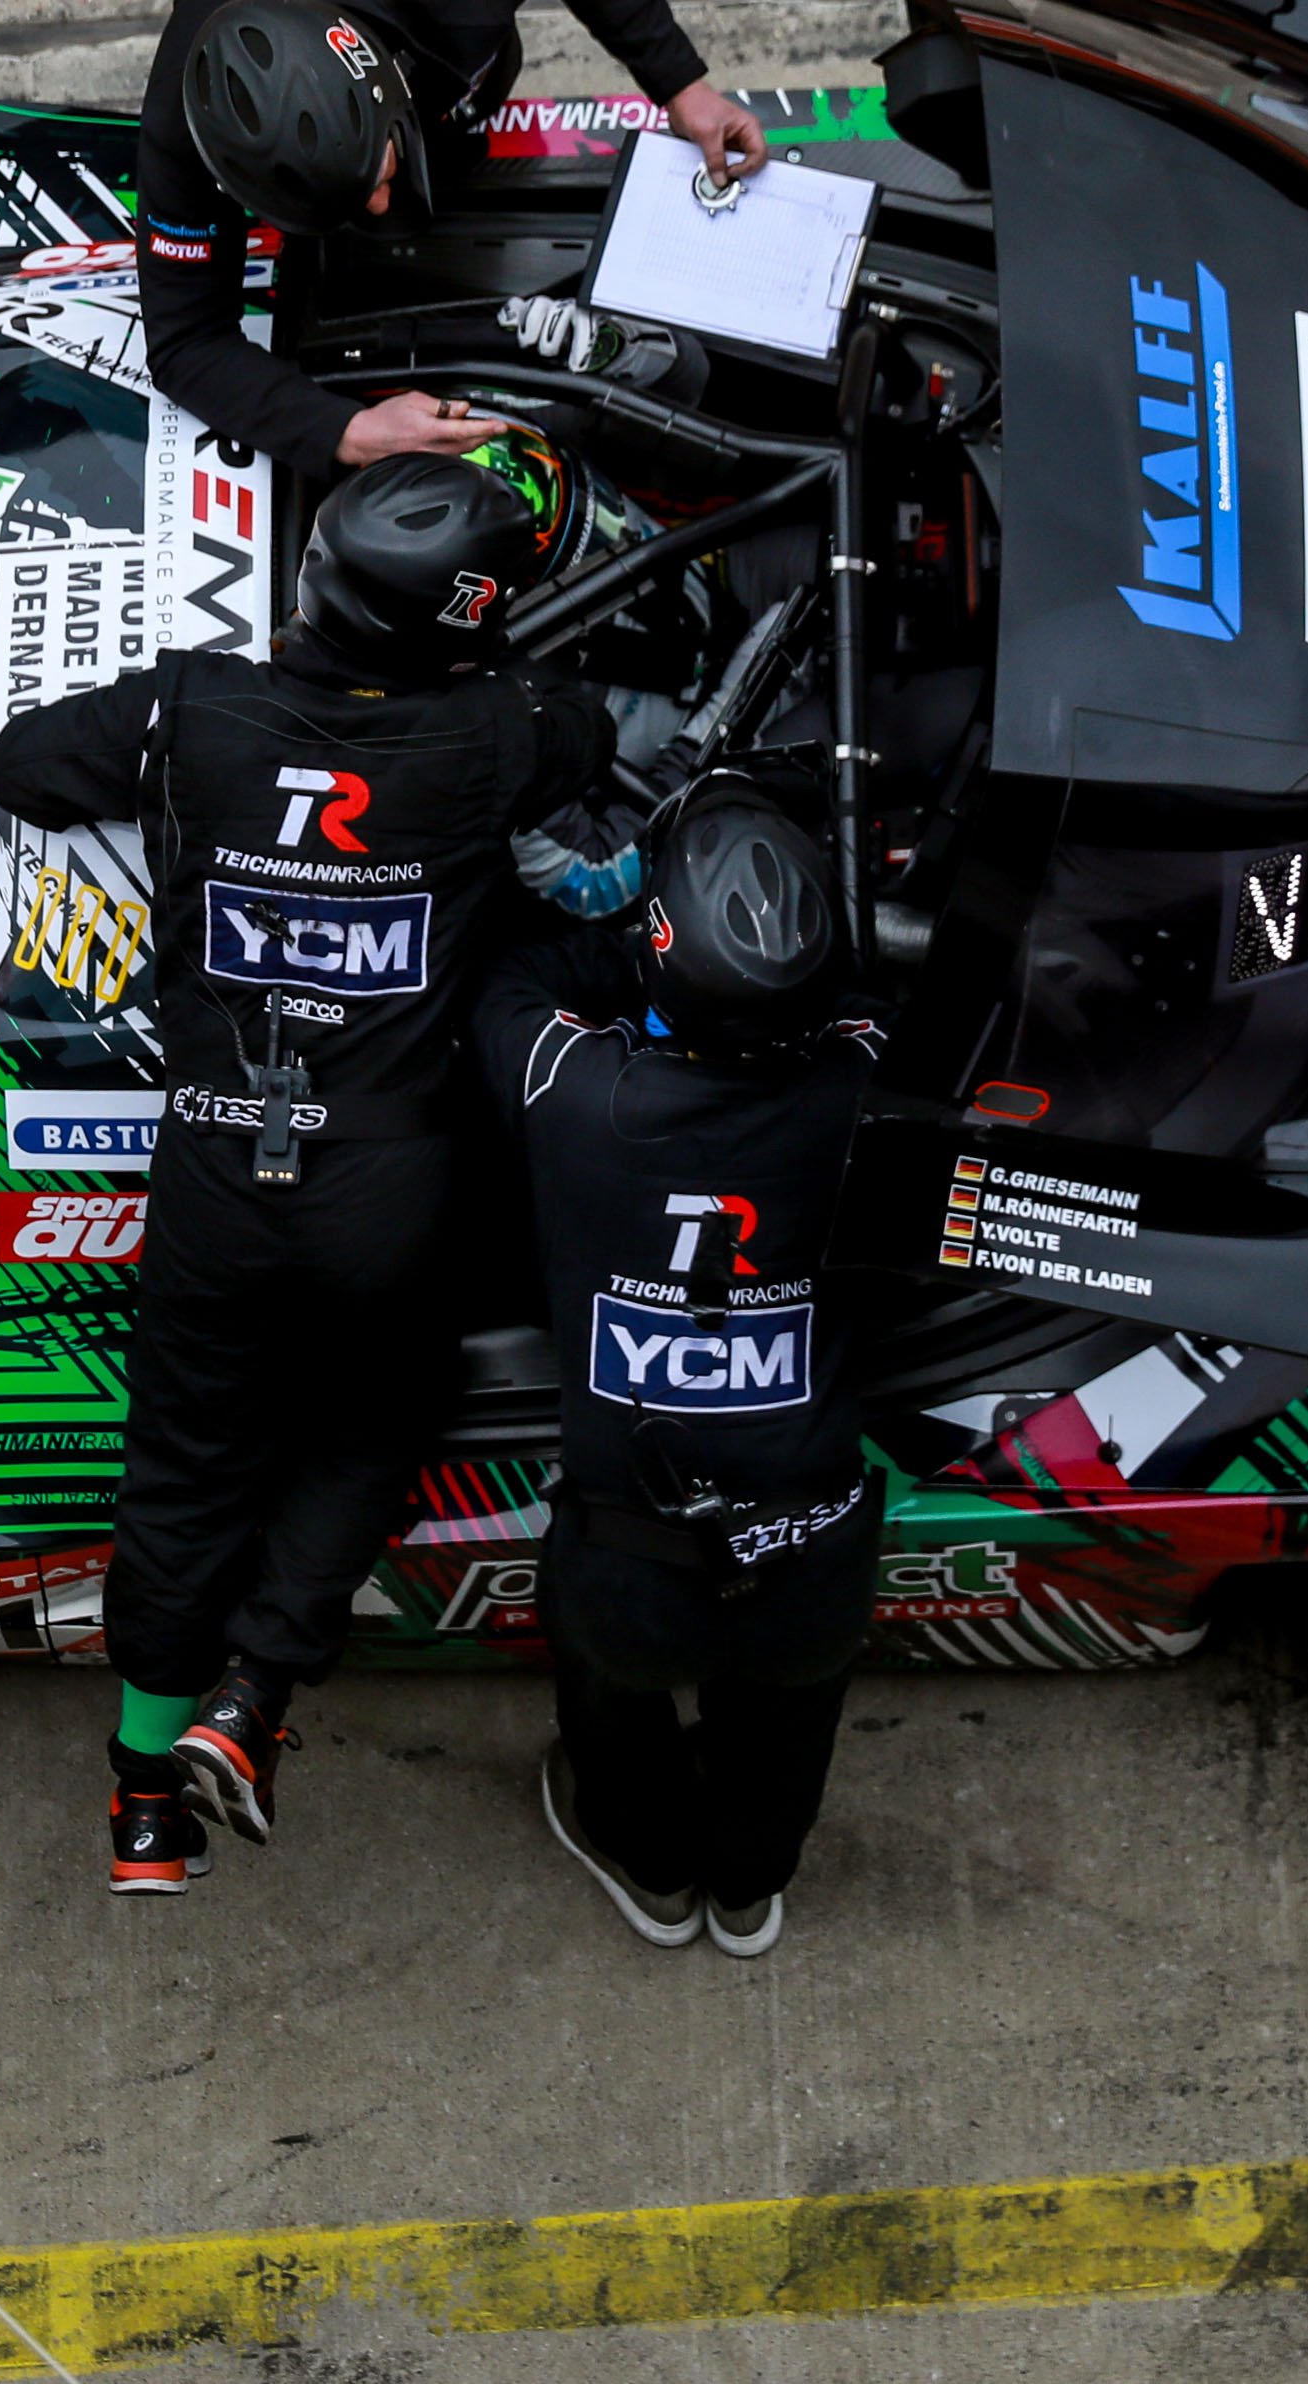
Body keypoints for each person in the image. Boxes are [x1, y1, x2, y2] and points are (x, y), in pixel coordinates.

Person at [0, 452, 611, 1893]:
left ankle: (145, 1812)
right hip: (388, 1188)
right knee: (366, 1429)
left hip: (216, 1167)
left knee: (185, 1477)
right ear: (456, 623)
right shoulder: (500, 729)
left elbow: (25, 769)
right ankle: (254, 1696)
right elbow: (594, 728)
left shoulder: (190, 706)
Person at [477, 780, 885, 1956]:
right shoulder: (865, 1091)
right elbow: (863, 997)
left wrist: (644, 959)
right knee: (789, 1732)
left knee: (613, 1714)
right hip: (811, 1556)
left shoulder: (572, 1094)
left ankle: (652, 1873)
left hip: (628, 1563)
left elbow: (517, 980)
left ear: (660, 964)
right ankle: (748, 1890)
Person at [136, 0, 775, 473]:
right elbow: (185, 346)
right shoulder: (180, 139)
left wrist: (681, 85)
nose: (382, 207)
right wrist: (348, 433)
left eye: (377, 177)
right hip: (296, 7)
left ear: (386, 86)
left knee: (462, 119)